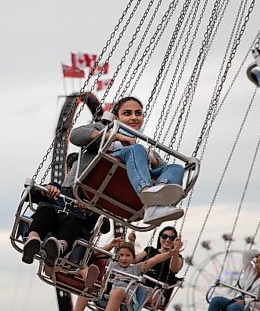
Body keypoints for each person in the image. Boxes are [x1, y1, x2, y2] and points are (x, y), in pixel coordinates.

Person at [69, 96, 186, 225]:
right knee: (135, 149)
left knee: (176, 168)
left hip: (126, 190)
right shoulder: (106, 130)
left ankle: (154, 204)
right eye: (127, 113)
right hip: (97, 178)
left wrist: (154, 161)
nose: (134, 117)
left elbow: (166, 170)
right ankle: (146, 191)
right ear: (116, 117)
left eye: (138, 113)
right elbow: (75, 136)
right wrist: (115, 136)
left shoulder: (144, 149)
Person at [61, 241, 183, 311]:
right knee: (89, 285)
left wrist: (171, 254)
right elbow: (96, 254)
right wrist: (110, 244)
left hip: (127, 299)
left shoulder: (137, 268)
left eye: (127, 255)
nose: (123, 258)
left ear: (133, 258)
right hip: (108, 294)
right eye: (121, 255)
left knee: (117, 292)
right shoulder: (113, 265)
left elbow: (154, 259)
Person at [22, 152, 110, 281]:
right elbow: (27, 195)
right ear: (69, 170)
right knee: (47, 211)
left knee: (73, 218)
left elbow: (105, 226)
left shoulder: (91, 200)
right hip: (48, 226)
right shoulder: (56, 188)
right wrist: (44, 190)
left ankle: (58, 247)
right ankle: (33, 240)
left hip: (72, 237)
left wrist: (88, 211)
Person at [100, 226, 184, 311]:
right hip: (134, 286)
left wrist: (174, 253)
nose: (167, 240)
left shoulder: (178, 258)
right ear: (160, 238)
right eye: (165, 236)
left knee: (138, 293)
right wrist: (132, 242)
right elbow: (133, 261)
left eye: (171, 238)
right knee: (123, 291)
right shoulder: (149, 250)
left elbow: (174, 269)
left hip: (156, 293)